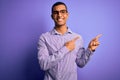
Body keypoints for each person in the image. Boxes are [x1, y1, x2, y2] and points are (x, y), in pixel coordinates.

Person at [38, 2, 102, 80]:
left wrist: (90, 49)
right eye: (56, 12)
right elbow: (43, 65)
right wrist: (66, 49)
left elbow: (80, 63)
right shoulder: (44, 38)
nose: (59, 15)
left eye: (62, 12)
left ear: (67, 15)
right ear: (52, 16)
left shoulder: (77, 38)